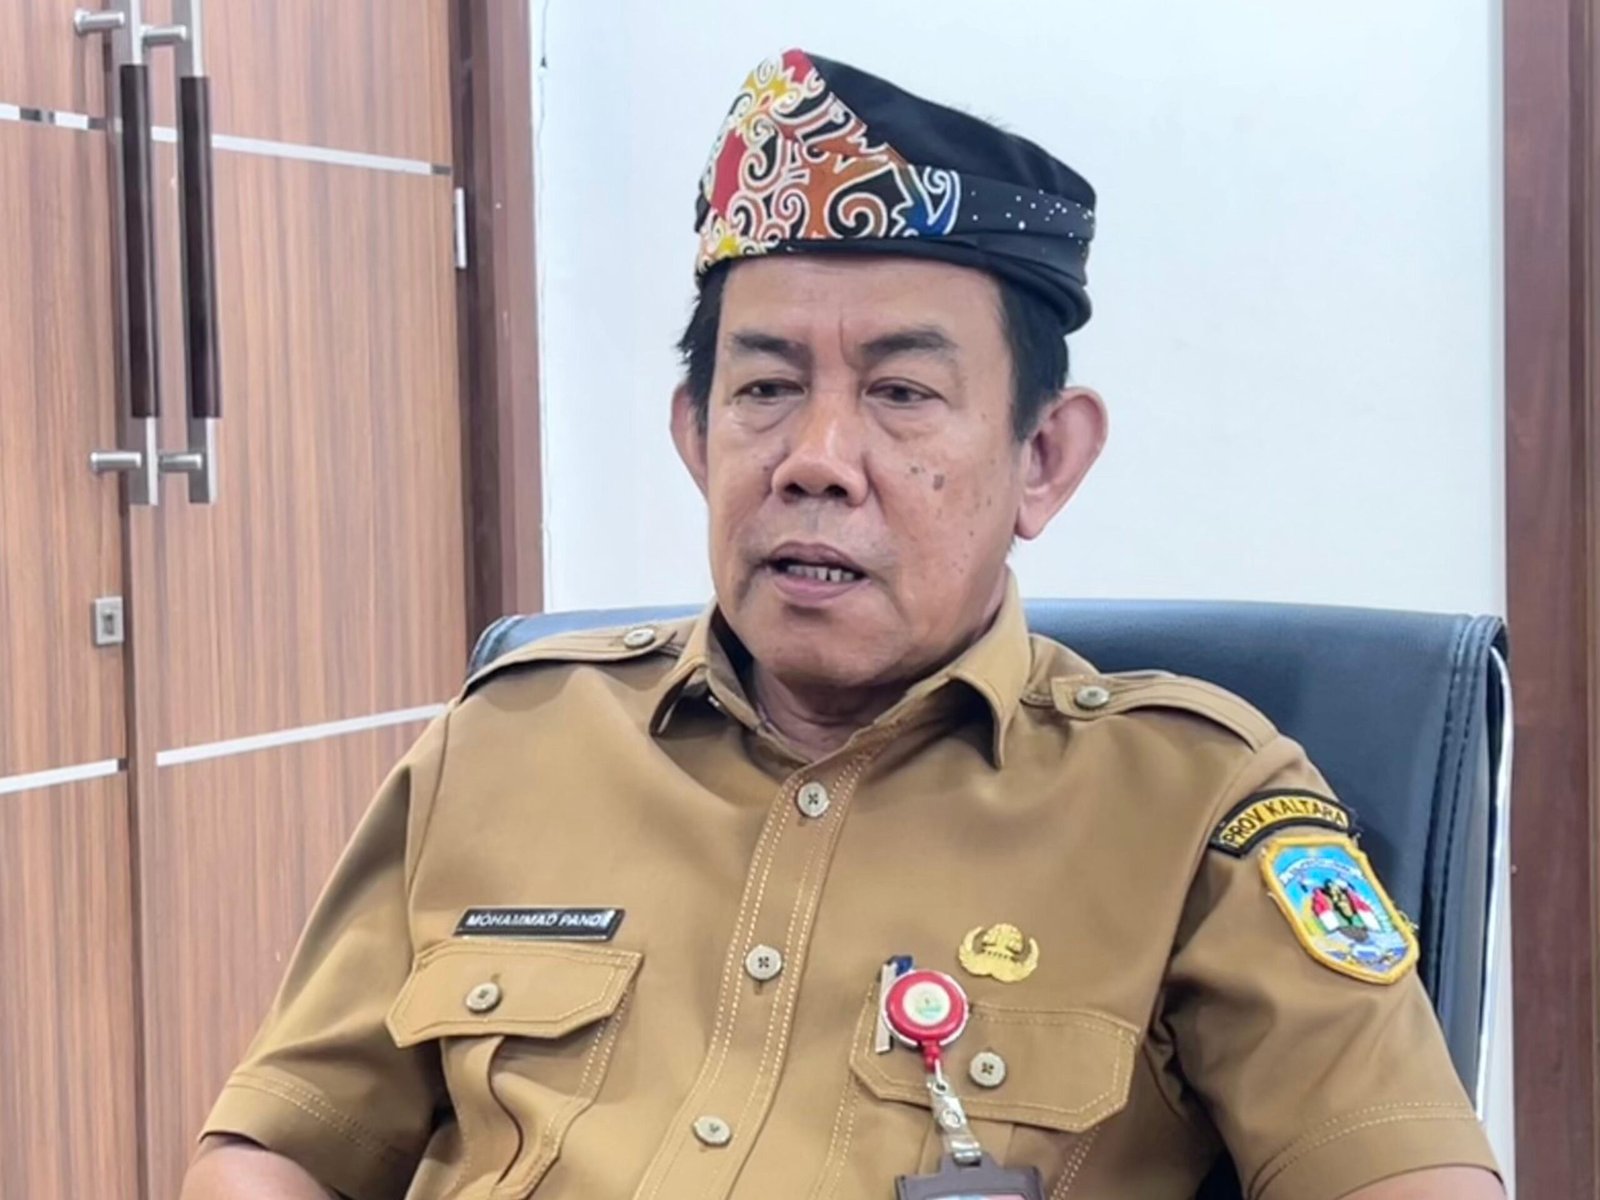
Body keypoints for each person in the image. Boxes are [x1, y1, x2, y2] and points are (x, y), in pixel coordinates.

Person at [181, 49, 1504, 1200]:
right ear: (697, 436)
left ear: (1043, 459)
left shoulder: (1196, 808)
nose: (816, 460)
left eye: (902, 394)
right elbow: (274, 1148)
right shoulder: (508, 743)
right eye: (764, 388)